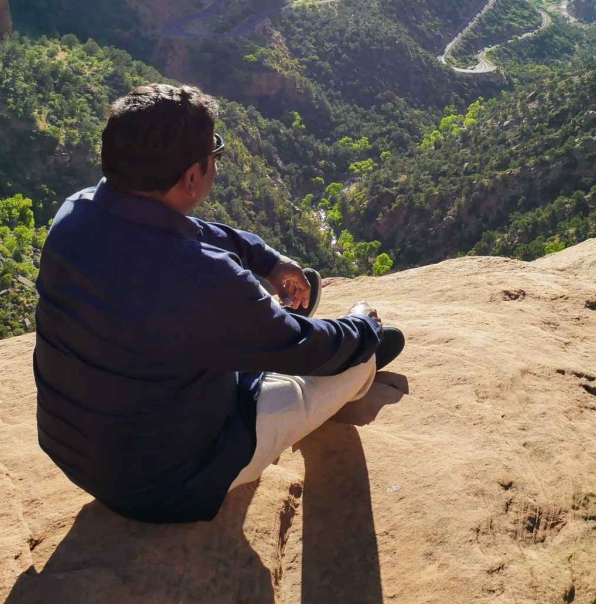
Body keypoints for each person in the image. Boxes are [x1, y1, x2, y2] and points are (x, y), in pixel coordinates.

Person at [33, 83, 405, 523]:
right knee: (349, 359)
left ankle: (259, 334)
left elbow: (185, 231)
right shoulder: (200, 276)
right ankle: (354, 368)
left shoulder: (75, 214)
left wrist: (266, 260)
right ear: (192, 176)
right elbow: (308, 350)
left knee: (225, 336)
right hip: (170, 485)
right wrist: (362, 328)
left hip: (77, 455)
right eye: (216, 154)